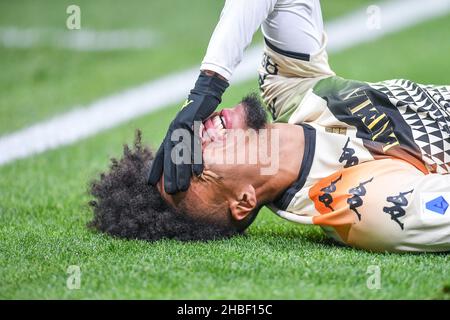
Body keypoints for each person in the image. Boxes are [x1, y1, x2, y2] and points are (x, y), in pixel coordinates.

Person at [148, 0, 329, 194]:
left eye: (193, 139)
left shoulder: (291, 90)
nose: (201, 130)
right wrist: (208, 85)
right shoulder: (335, 193)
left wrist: (208, 86)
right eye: (200, 156)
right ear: (242, 202)